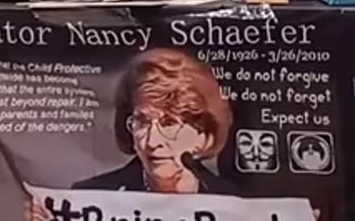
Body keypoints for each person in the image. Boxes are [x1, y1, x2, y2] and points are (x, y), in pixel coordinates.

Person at [25, 49, 236, 219]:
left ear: (203, 135)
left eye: (169, 123)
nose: (152, 141)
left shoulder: (234, 205)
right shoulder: (91, 198)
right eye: (142, 122)